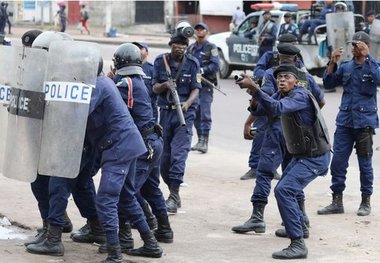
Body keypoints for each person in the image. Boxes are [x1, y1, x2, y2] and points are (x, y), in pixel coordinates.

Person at [236, 64, 331, 259]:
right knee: (288, 188)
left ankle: (298, 243)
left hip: (315, 157)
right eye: (279, 77)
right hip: (303, 154)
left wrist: (255, 88)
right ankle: (299, 227)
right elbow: (265, 110)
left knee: (284, 190)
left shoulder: (300, 96)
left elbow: (277, 108)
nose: (281, 80)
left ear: (295, 80)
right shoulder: (283, 95)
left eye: (287, 76)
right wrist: (254, 97)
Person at [106, 43, 171, 257]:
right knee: (150, 189)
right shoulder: (138, 80)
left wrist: (108, 81)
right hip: (153, 142)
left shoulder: (126, 84)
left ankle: (129, 239)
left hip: (144, 147)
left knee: (126, 194)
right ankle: (163, 228)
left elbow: (111, 105)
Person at [318, 31, 380, 217]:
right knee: (337, 163)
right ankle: (337, 201)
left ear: (366, 46)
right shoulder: (346, 67)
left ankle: (365, 201)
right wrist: (332, 62)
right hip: (345, 122)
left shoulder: (373, 65)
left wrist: (369, 56)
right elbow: (328, 83)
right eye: (353, 45)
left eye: (358, 45)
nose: (354, 48)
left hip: (364, 123)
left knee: (365, 164)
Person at [22, 31, 74, 249]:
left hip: (62, 143)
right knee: (38, 184)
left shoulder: (72, 76)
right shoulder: (35, 75)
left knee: (57, 187)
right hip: (42, 140)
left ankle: (54, 238)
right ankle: (48, 227)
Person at [240, 34, 303, 181]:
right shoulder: (270, 61)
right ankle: (255, 167)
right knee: (260, 133)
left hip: (288, 107)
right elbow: (259, 70)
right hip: (268, 102)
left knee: (287, 143)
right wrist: (274, 76)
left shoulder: (299, 65)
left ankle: (274, 169)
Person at [152, 32, 202, 214]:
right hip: (165, 113)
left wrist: (188, 103)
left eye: (183, 45)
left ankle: (173, 195)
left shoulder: (193, 63)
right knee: (164, 159)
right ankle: (174, 191)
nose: (180, 48)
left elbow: (197, 88)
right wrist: (166, 85)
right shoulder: (160, 62)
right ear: (170, 45)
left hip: (185, 116)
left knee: (178, 155)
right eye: (177, 45)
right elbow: (154, 87)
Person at [188, 22, 220, 154]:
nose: (199, 31)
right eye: (197, 30)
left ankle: (204, 141)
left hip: (206, 85)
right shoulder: (191, 48)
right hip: (194, 86)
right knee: (196, 113)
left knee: (205, 114)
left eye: (202, 29)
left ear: (206, 32)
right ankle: (200, 139)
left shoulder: (211, 47)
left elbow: (215, 65)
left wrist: (202, 70)